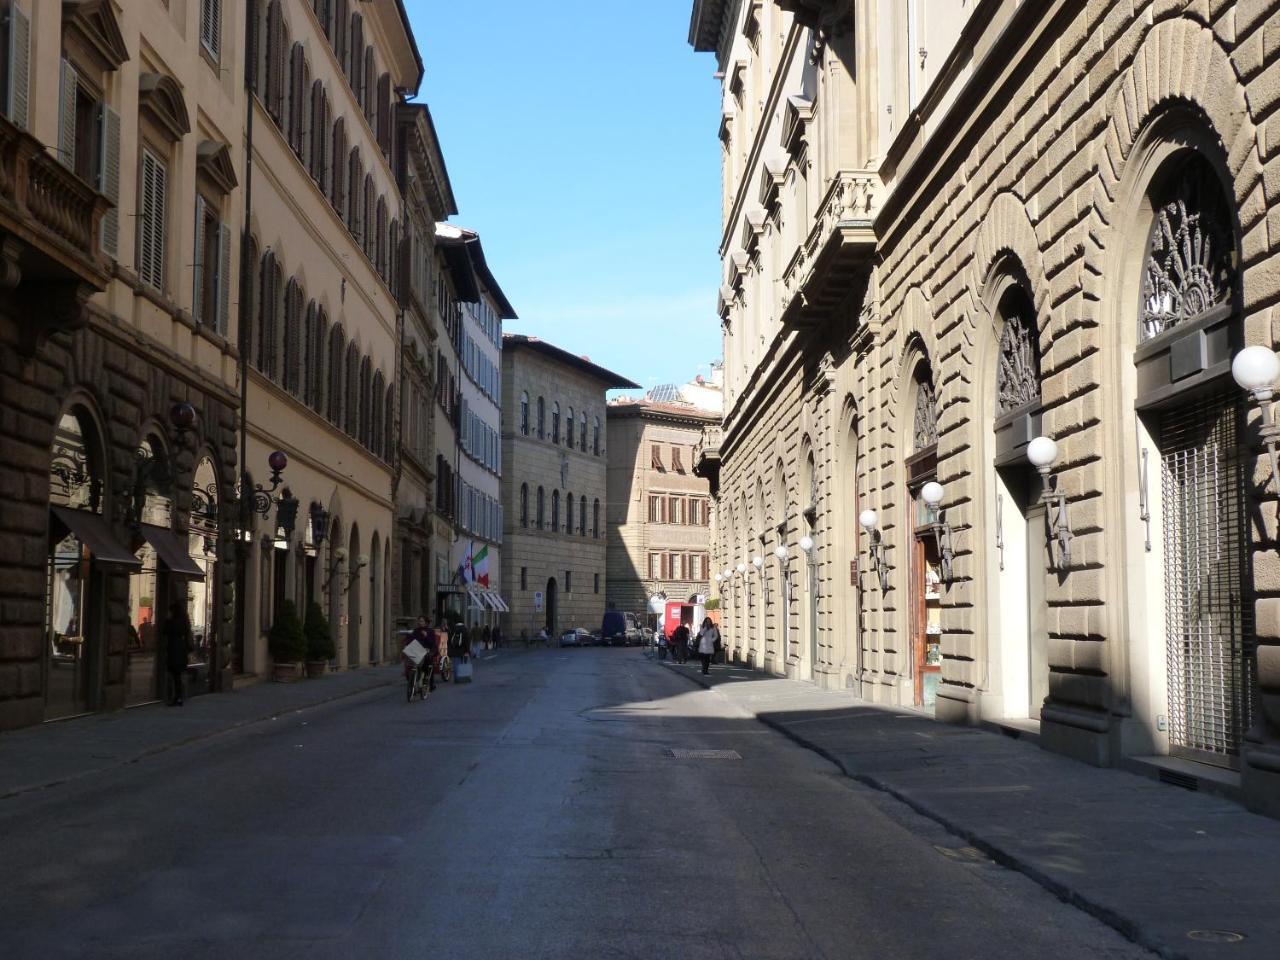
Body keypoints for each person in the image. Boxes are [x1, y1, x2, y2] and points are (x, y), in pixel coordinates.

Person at [163, 601, 192, 706]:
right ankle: (179, 697)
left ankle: (176, 697)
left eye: (169, 611)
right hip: (181, 652)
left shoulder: (173, 622)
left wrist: (167, 620)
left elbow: (165, 630)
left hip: (174, 652)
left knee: (174, 676)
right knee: (178, 676)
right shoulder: (184, 621)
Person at [406, 616, 436, 693]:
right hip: (416, 651)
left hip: (426, 651)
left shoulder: (430, 631)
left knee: (427, 663)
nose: (420, 622)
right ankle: (411, 681)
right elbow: (410, 639)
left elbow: (432, 643)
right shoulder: (416, 631)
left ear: (426, 622)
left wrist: (426, 636)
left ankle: (426, 681)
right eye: (420, 621)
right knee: (408, 665)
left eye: (422, 621)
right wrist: (408, 644)